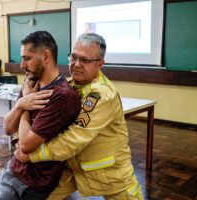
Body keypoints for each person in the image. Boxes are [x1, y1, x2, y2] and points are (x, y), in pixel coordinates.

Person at [15, 33, 144, 200]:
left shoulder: (101, 95)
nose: (76, 64)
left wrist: (32, 155)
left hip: (112, 174)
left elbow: (74, 138)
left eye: (84, 60)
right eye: (73, 57)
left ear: (100, 64)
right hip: (75, 167)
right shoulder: (71, 85)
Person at [0, 31, 81, 200]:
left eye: (27, 58)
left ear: (46, 56)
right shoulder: (31, 84)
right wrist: (20, 103)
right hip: (11, 170)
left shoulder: (62, 96)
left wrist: (24, 106)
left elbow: (25, 145)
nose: (21, 65)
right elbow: (7, 127)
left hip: (29, 184)